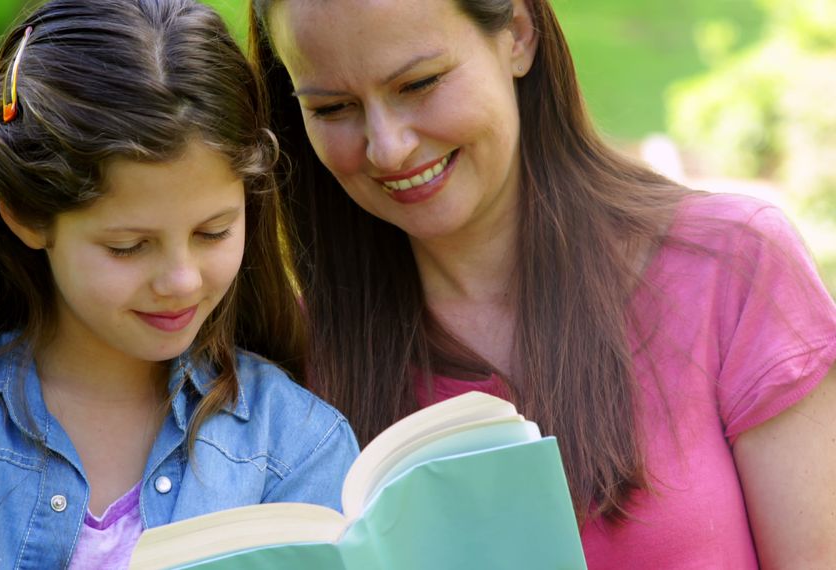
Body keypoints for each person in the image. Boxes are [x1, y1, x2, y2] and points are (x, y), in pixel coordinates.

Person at [249, 0, 836, 567]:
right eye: (332, 108)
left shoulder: (731, 265)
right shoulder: (290, 367)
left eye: (419, 83)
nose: (388, 145)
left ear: (519, 34)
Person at [0, 0, 360, 567]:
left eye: (213, 232)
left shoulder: (296, 447)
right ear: (26, 216)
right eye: (128, 246)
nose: (182, 279)